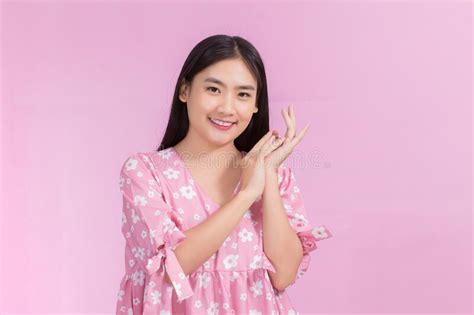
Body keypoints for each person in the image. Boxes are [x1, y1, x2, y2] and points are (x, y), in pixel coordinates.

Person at [115, 34, 333, 315]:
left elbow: (284, 274)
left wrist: (267, 178)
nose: (227, 108)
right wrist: (246, 195)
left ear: (256, 105)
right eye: (214, 89)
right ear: (185, 90)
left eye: (243, 94)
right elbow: (174, 267)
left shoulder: (273, 176)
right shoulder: (145, 172)